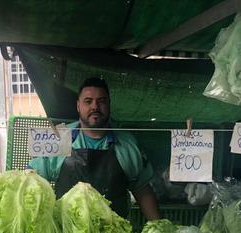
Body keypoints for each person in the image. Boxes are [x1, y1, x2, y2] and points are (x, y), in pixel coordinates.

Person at [29, 77, 161, 220]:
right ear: (78, 106)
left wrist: (158, 228)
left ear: (109, 105)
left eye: (101, 101)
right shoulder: (59, 138)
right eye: (88, 101)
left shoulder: (128, 144)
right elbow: (32, 178)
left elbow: (142, 190)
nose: (95, 107)